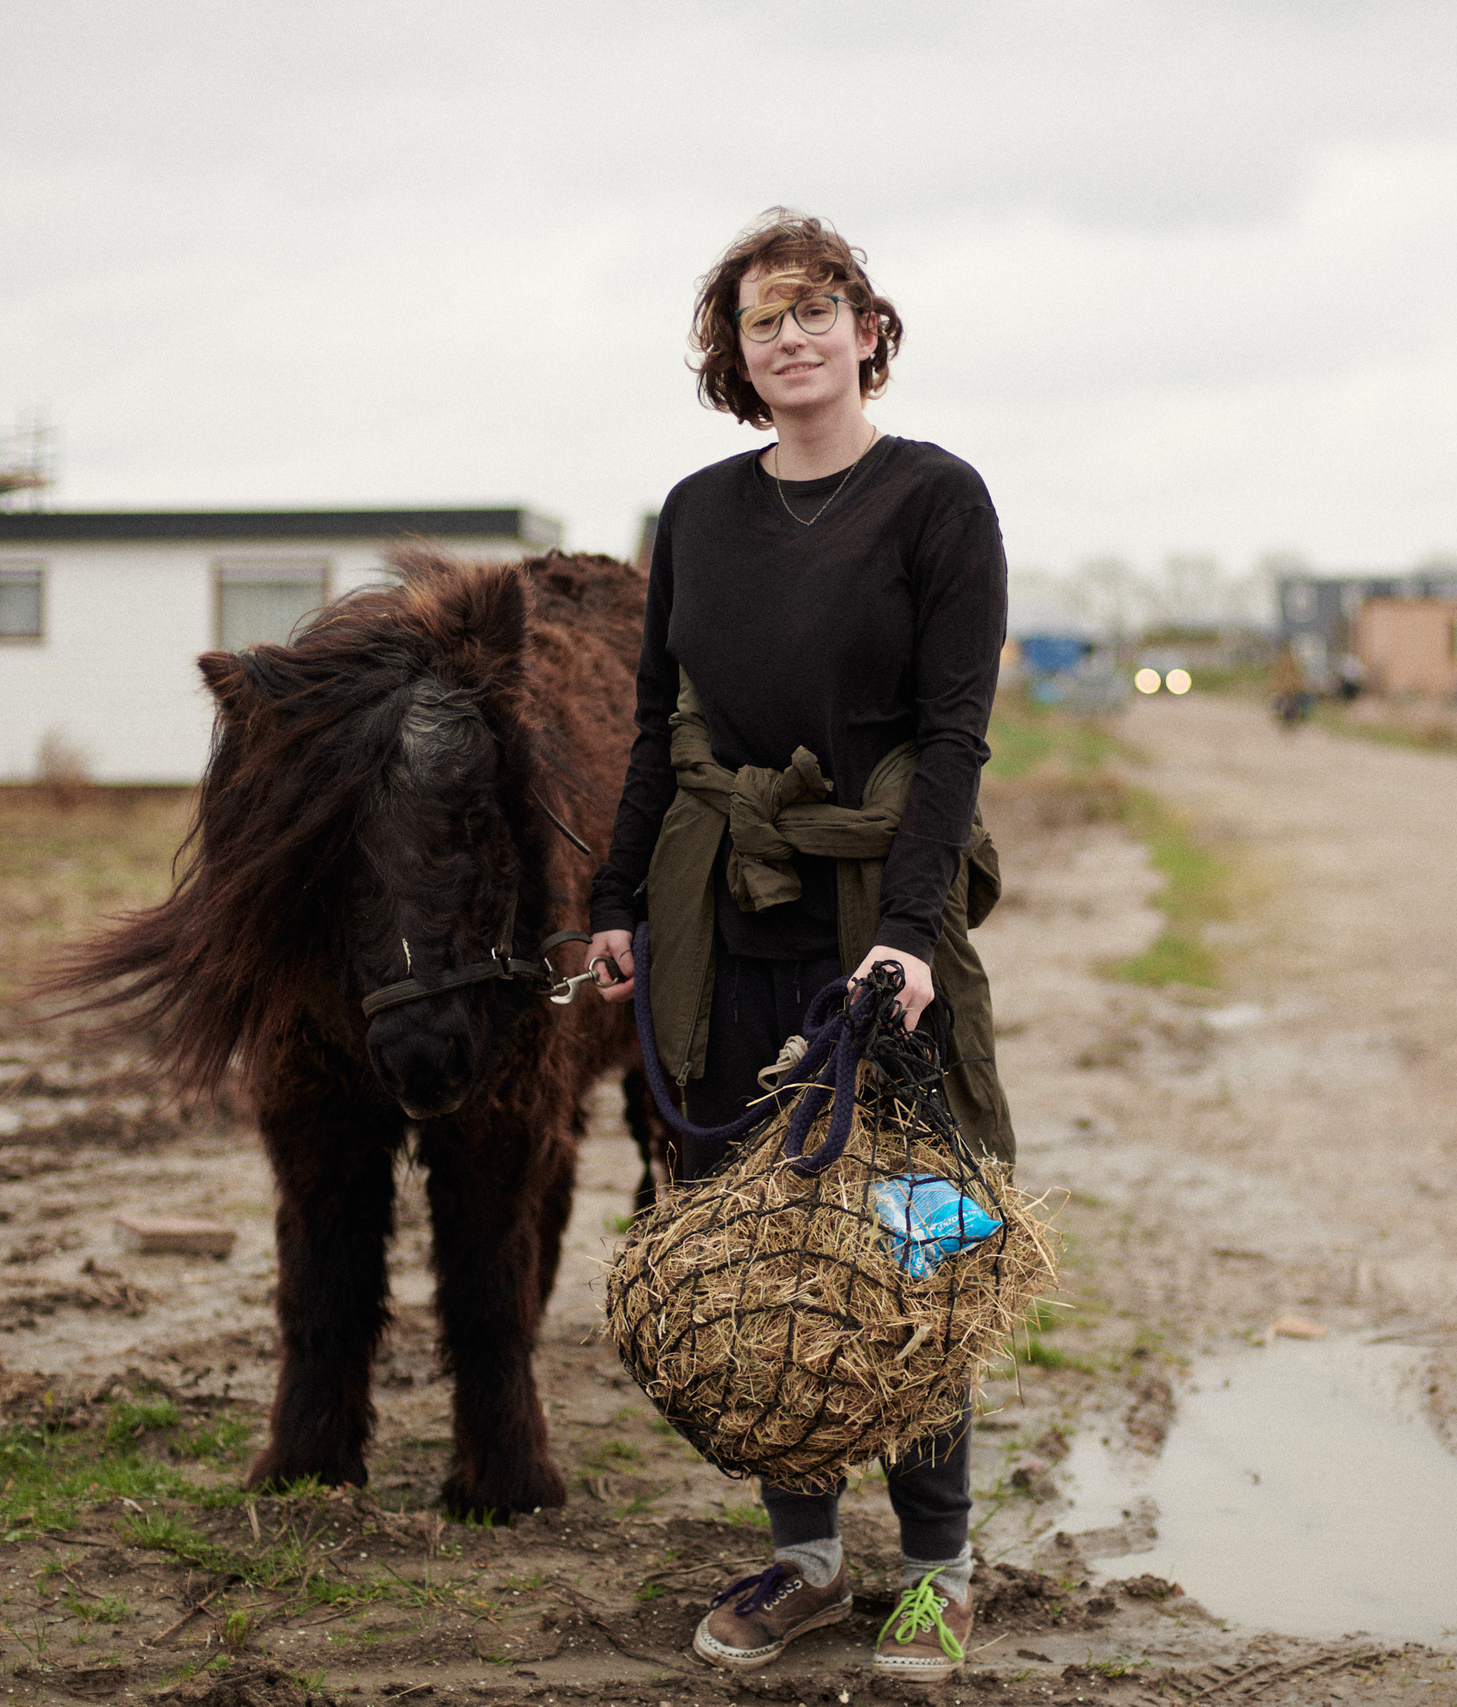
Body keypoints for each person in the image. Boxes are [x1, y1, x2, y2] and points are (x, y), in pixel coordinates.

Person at [586, 209, 1011, 1684]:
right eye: (764, 319)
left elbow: (955, 734)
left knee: (920, 1239)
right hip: (724, 921)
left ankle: (944, 1569)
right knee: (760, 1248)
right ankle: (809, 1559)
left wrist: (906, 935)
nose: (793, 335)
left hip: (873, 926)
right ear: (737, 358)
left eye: (819, 308)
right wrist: (616, 902)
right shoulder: (696, 514)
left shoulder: (938, 501)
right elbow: (659, 729)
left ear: (871, 333)